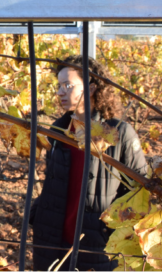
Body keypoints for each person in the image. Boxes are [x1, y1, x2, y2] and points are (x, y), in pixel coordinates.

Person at [31, 55, 149, 271]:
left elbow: (139, 192)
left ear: (92, 88)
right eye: (59, 86)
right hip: (52, 241)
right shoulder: (59, 131)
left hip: (97, 245)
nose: (60, 92)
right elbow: (53, 183)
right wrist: (37, 214)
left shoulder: (118, 134)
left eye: (67, 85)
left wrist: (111, 231)